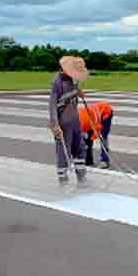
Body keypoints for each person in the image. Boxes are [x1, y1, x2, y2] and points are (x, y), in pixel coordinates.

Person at [48, 56, 89, 184]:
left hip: (75, 120)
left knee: (80, 147)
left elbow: (74, 99)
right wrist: (55, 124)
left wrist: (78, 93)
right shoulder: (57, 82)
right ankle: (63, 178)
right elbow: (52, 104)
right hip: (63, 122)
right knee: (63, 150)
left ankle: (81, 175)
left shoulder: (74, 81)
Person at [79, 101, 114, 169]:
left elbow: (98, 128)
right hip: (91, 118)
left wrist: (91, 138)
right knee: (86, 140)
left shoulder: (86, 120)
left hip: (106, 113)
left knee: (103, 137)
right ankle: (88, 161)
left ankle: (105, 160)